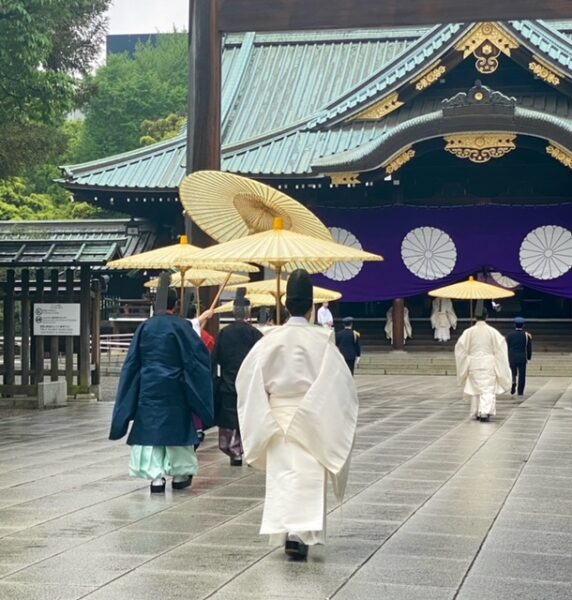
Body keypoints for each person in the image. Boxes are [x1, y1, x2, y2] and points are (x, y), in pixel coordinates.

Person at [236, 270, 359, 559]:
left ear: (286, 302)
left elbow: (246, 380)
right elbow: (340, 384)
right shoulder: (322, 340)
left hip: (277, 415)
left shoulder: (268, 340)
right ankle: (300, 534)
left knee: (283, 476)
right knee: (308, 475)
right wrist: (318, 410)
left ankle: (288, 531)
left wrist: (263, 407)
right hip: (313, 414)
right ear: (310, 306)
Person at [109, 288, 214, 493]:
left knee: (151, 431)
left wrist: (131, 387)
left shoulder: (145, 327)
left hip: (149, 385)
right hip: (176, 386)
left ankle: (156, 478)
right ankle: (180, 474)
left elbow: (132, 362)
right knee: (178, 431)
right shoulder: (182, 327)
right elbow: (195, 359)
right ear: (174, 305)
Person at [212, 295, 263, 466]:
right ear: (249, 313)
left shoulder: (224, 333)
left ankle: (235, 453)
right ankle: (250, 451)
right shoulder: (255, 334)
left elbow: (215, 359)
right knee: (248, 419)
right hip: (249, 384)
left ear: (233, 312)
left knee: (230, 420)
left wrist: (216, 380)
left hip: (228, 383)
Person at [454, 308, 512, 422]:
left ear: (475, 317)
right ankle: (484, 412)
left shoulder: (468, 332)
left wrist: (466, 360)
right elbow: (501, 348)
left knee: (475, 388)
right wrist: (500, 363)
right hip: (488, 363)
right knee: (487, 388)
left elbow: (460, 348)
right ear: (487, 316)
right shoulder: (493, 332)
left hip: (474, 363)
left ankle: (476, 411)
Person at [506, 316, 532, 396]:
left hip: (512, 357)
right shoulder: (526, 335)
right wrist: (528, 357)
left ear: (514, 325)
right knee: (522, 375)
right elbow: (528, 347)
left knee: (512, 373)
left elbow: (507, 346)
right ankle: (520, 391)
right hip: (522, 358)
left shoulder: (510, 335)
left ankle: (513, 382)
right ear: (523, 325)